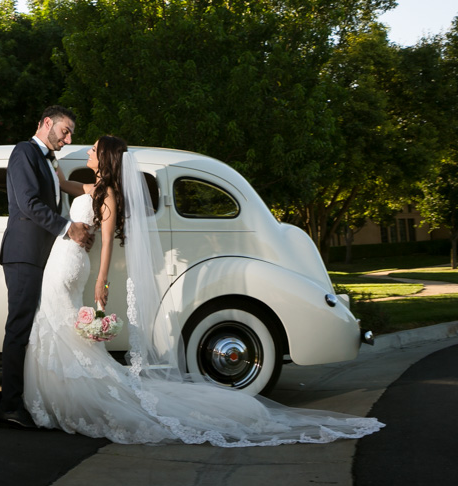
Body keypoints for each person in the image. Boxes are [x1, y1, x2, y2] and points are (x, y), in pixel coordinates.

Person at [23, 135, 384, 446]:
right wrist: (50, 162)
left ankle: (67, 399)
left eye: (94, 150)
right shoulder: (93, 188)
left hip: (73, 263)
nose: (88, 152)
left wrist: (103, 282)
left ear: (105, 158)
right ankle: (60, 395)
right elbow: (67, 187)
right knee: (55, 324)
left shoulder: (111, 196)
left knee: (57, 324)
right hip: (64, 258)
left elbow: (106, 242)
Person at [0, 106, 93, 430]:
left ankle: (28, 399)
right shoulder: (24, 152)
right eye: (65, 131)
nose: (67, 139)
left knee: (33, 329)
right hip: (23, 254)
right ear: (47, 123)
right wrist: (70, 228)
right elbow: (28, 203)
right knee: (19, 328)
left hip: (43, 255)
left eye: (71, 135)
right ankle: (9, 407)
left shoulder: (50, 161)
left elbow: (61, 192)